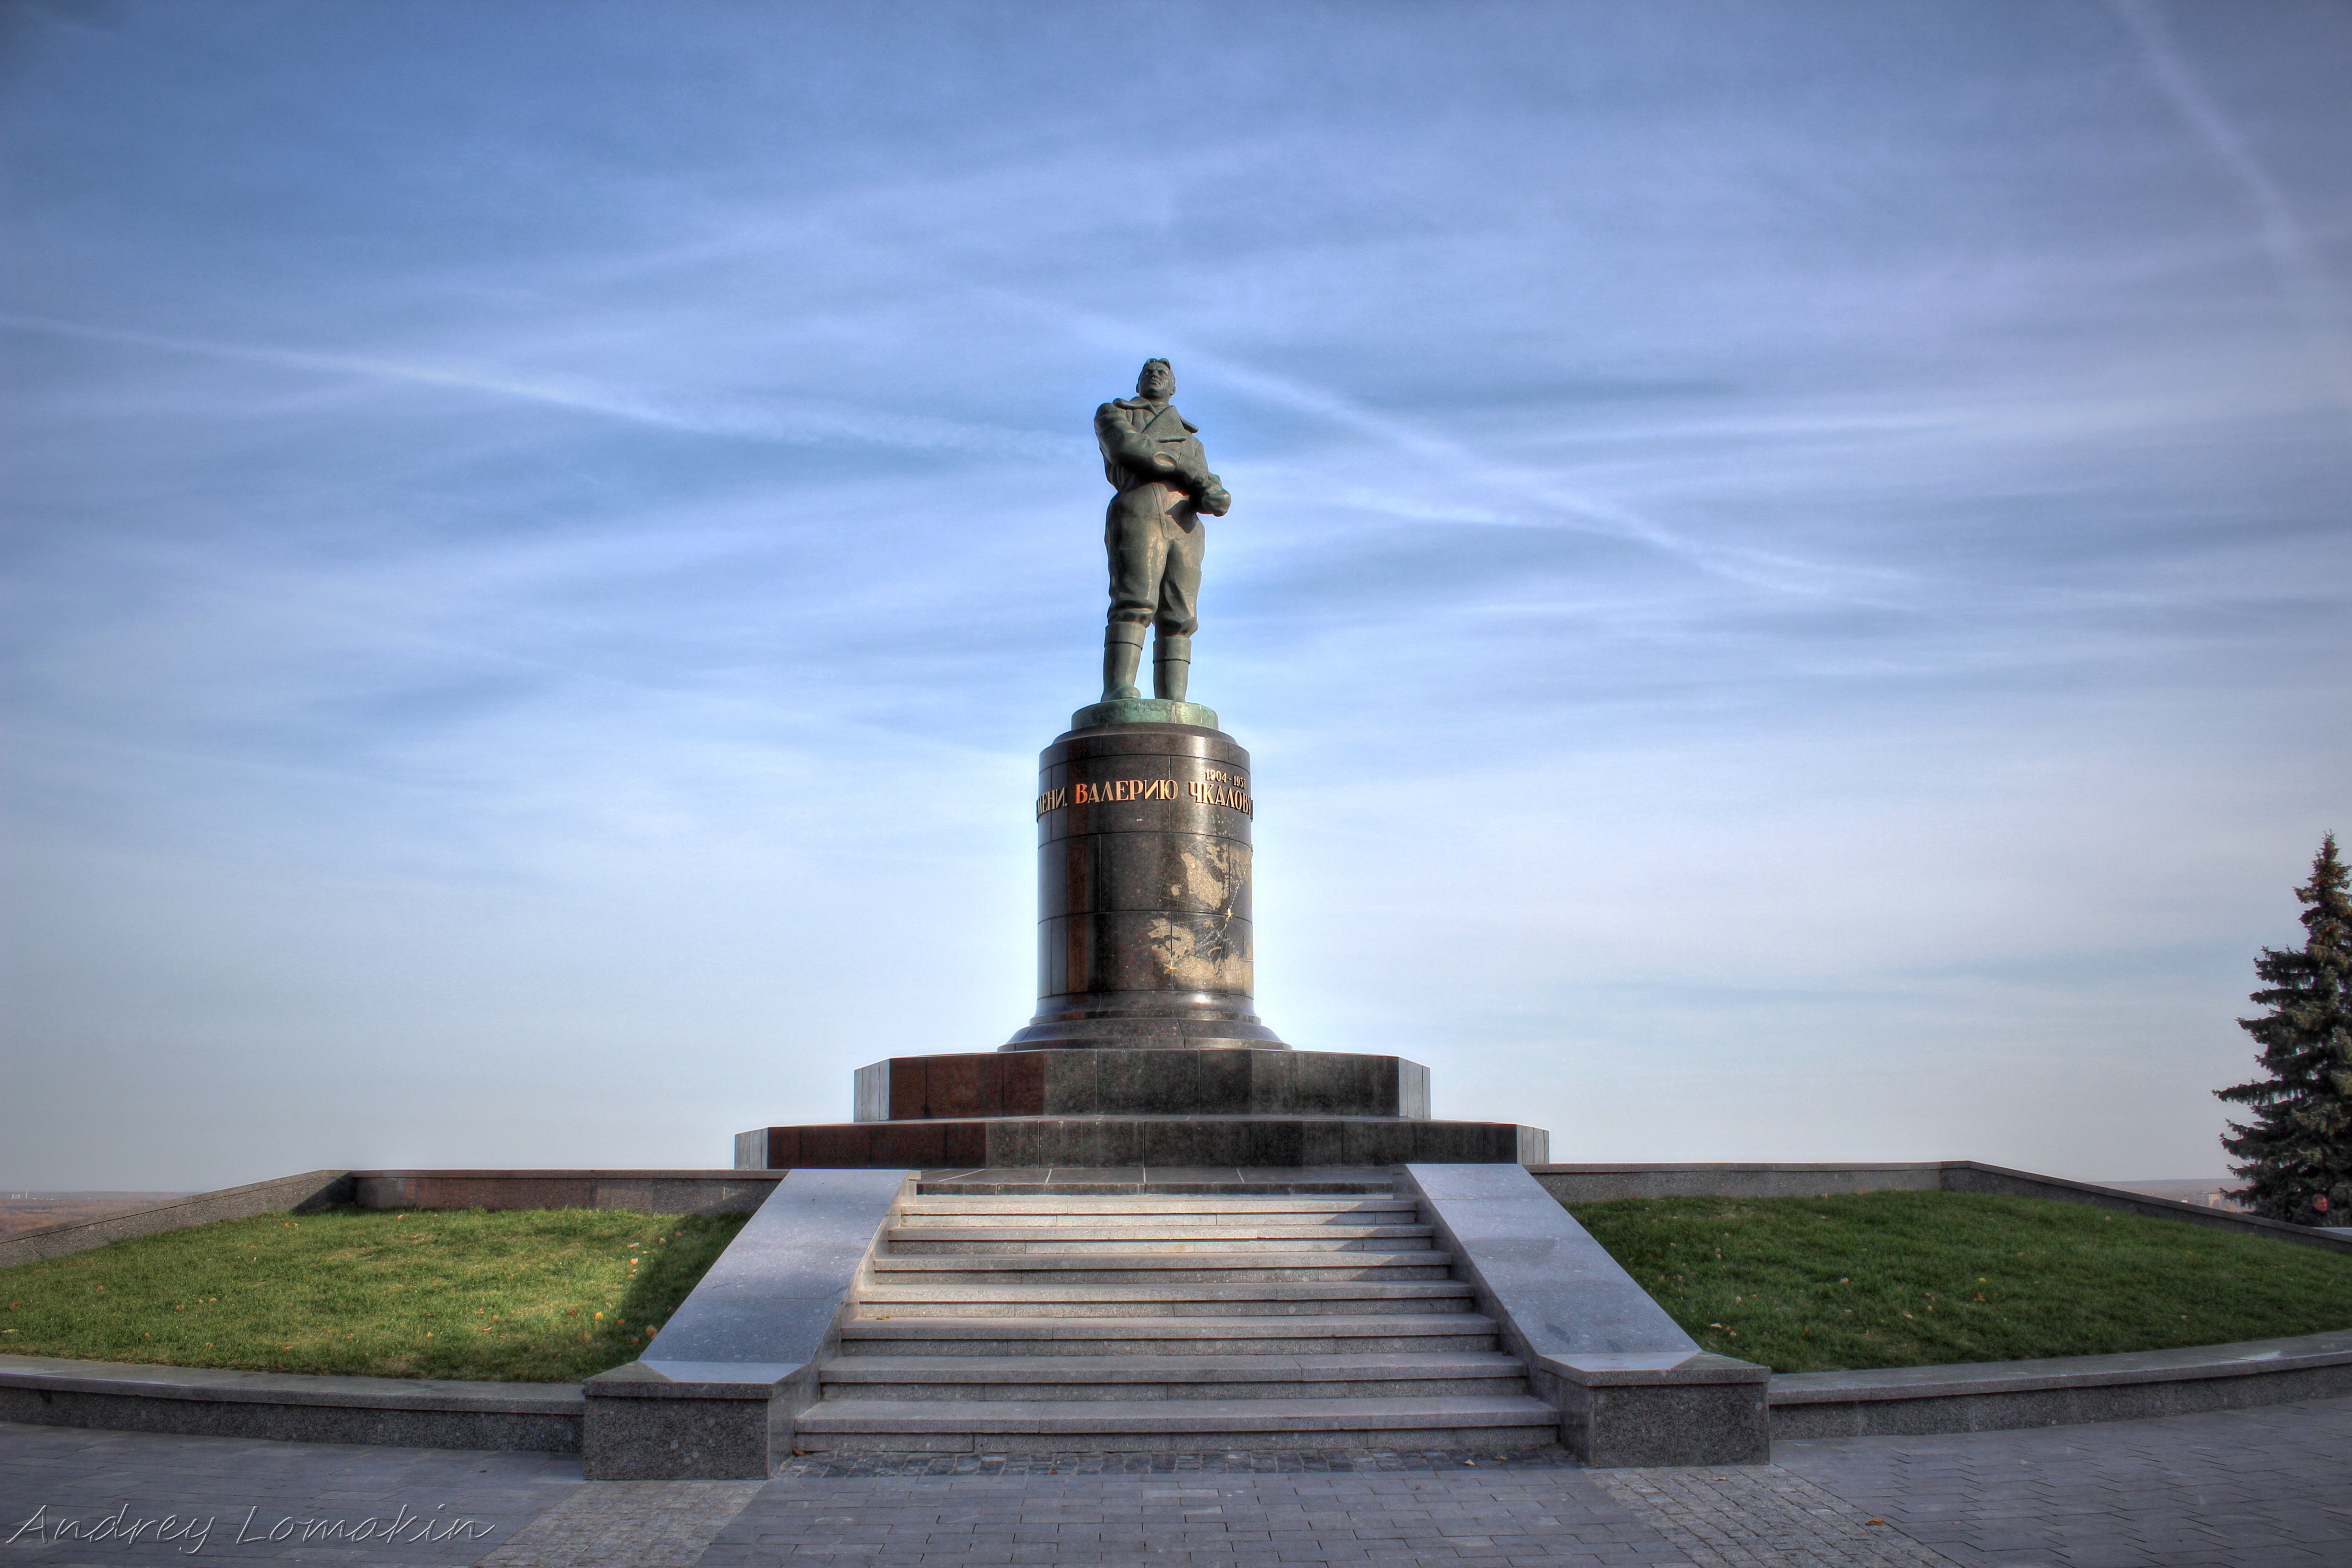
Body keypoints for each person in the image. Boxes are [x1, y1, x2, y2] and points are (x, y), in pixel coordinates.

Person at [1094, 358, 1229, 702]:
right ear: (1138, 384)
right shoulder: (1115, 413)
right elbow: (1129, 448)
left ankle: (1174, 704)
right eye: (1148, 373)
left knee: (1180, 616)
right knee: (1134, 601)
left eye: (1164, 374)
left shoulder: (1191, 440)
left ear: (1173, 388)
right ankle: (1118, 690)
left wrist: (1214, 494)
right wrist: (1189, 471)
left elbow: (1206, 486)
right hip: (1139, 509)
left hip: (1184, 523)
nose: (1155, 376)